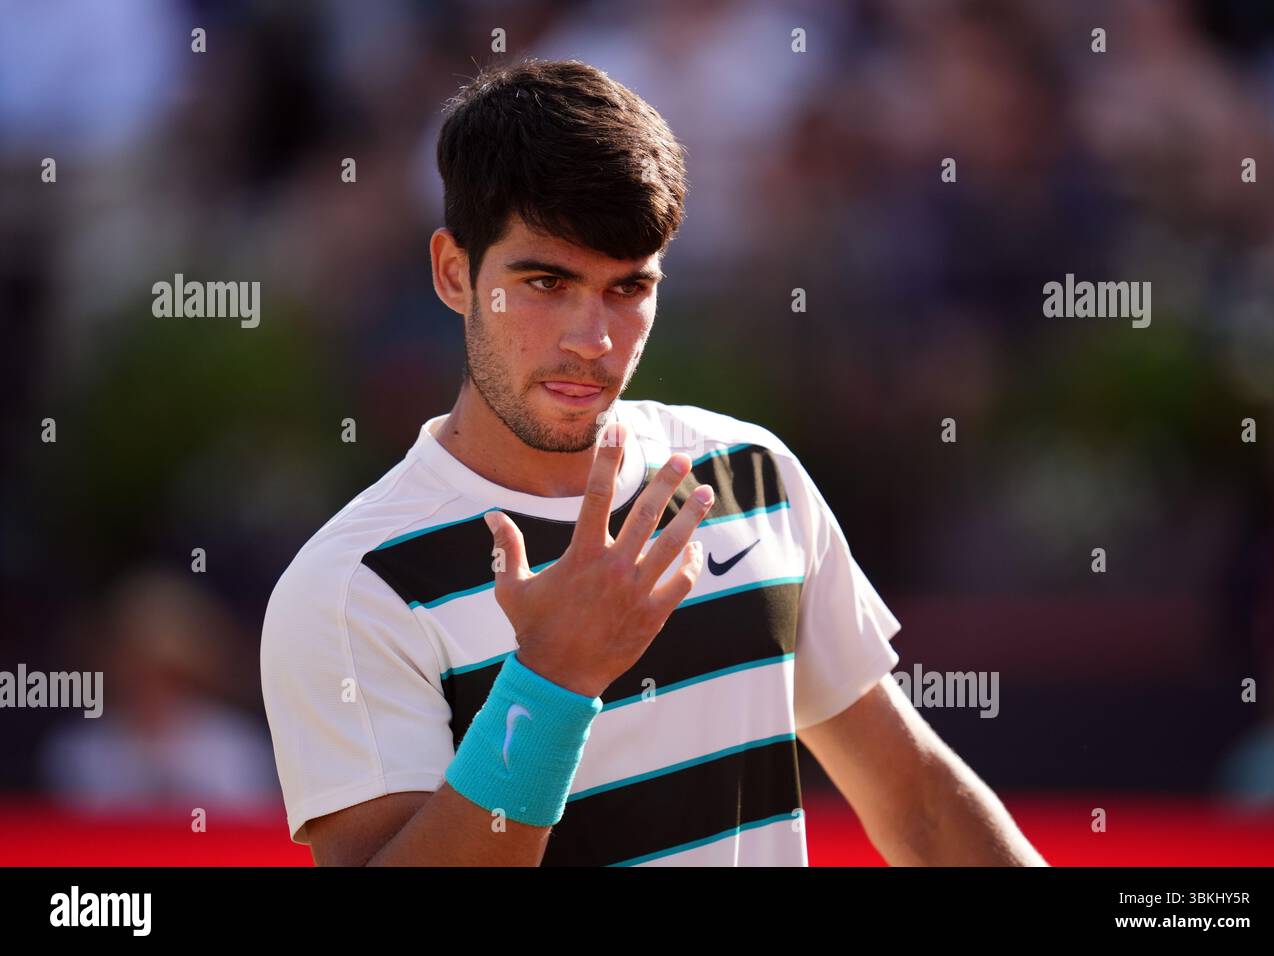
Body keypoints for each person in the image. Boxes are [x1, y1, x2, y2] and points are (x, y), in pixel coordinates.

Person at [260, 58, 1046, 867]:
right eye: (545, 281)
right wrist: (552, 681)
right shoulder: (351, 586)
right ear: (454, 272)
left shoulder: (750, 473)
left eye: (628, 288)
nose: (591, 340)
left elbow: (916, 801)